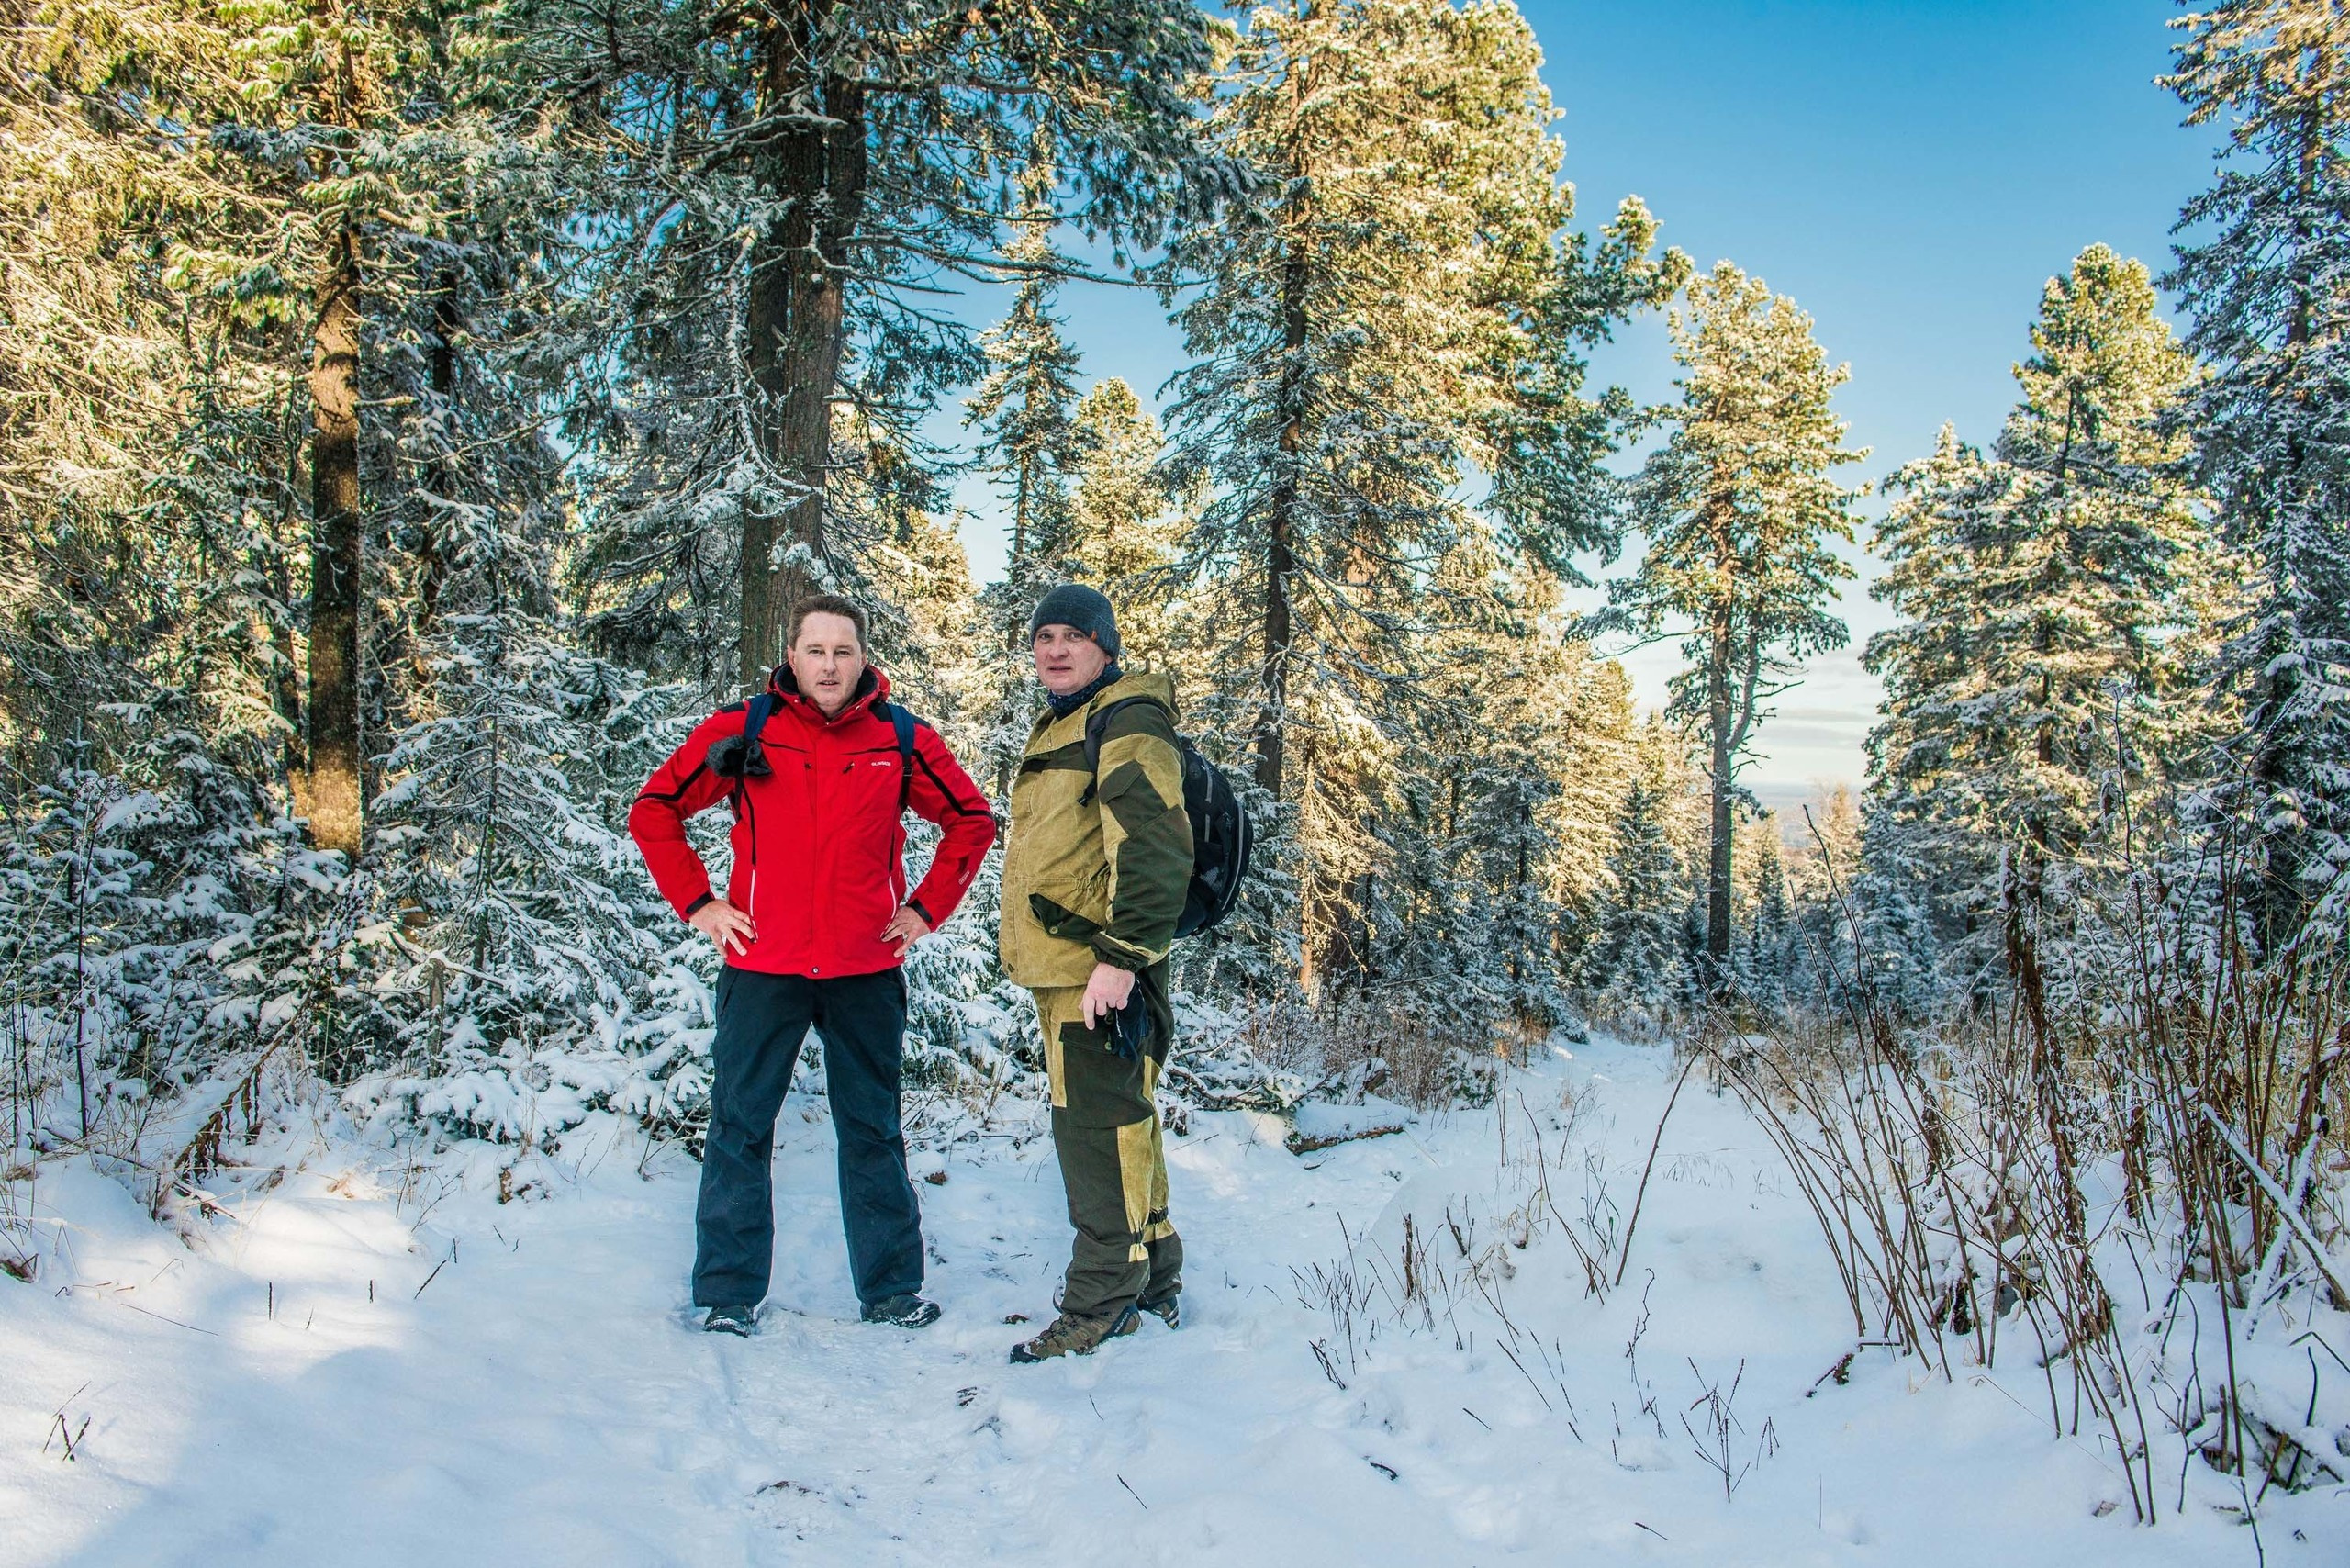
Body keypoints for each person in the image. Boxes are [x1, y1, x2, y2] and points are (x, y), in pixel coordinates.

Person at [629, 594, 995, 1336]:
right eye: (816, 650)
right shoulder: (746, 729)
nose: (829, 665)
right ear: (790, 657)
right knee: (739, 1127)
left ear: (865, 660)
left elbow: (972, 820)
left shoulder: (901, 737)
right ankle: (728, 1296)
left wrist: (924, 910)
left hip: (866, 968)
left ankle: (891, 1290)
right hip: (764, 965)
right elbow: (654, 808)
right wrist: (700, 903)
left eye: (844, 651)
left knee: (872, 1129)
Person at [998, 584, 1192, 1362]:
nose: (1054, 648)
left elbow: (1154, 848)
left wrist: (1119, 960)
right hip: (1074, 965)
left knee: (1095, 1130)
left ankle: (1102, 1303)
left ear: (1106, 646)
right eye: (1044, 635)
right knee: (1123, 1121)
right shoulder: (1074, 722)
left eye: (1073, 635)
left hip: (1096, 970)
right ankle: (1153, 1273)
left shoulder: (1127, 719)